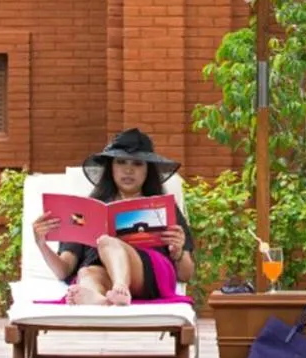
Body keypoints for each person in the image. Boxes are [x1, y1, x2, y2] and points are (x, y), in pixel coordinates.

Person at [32, 128, 196, 306]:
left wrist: (178, 253)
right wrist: (41, 244)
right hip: (103, 275)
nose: (128, 170)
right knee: (86, 273)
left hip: (150, 275)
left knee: (106, 241)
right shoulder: (87, 211)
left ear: (148, 170)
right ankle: (102, 301)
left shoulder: (163, 208)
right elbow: (64, 270)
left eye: (137, 164)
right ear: (111, 167)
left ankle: (120, 288)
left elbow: (185, 275)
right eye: (121, 162)